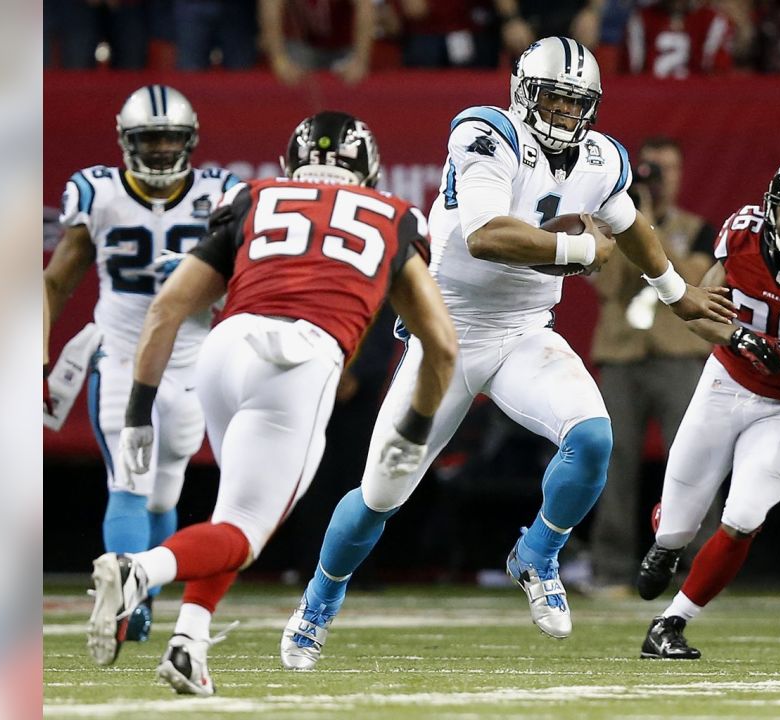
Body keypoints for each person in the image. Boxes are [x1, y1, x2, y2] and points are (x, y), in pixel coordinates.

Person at [281, 36, 736, 671]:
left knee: (595, 439)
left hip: (525, 327)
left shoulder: (600, 157)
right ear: (523, 93)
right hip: (447, 334)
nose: (562, 115)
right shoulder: (486, 133)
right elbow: (487, 235)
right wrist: (578, 252)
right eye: (551, 99)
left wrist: (678, 294)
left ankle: (538, 553)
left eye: (575, 104)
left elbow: (631, 225)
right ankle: (319, 601)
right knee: (381, 493)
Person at [83, 111, 458, 696]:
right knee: (245, 531)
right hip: (297, 359)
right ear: (371, 170)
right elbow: (441, 346)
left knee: (231, 511)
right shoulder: (395, 216)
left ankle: (189, 645)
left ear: (290, 166)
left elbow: (167, 308)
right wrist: (414, 429)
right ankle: (140, 570)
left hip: (223, 348)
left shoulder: (252, 195)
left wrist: (138, 410)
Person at [44, 85, 239, 643]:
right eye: (148, 140)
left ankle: (142, 598)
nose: (158, 151)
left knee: (164, 491)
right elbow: (57, 280)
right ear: (126, 141)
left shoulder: (222, 192)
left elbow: (241, 277)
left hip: (192, 360)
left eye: (168, 139)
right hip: (122, 355)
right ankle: (124, 609)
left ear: (190, 140)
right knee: (127, 480)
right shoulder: (98, 193)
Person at [636, 162, 780, 659]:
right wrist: (737, 336)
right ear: (772, 208)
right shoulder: (742, 234)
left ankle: (671, 623)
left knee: (744, 514)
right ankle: (667, 539)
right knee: (678, 524)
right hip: (726, 381)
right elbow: (695, 311)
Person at [588, 137, 717, 593]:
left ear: (680, 176)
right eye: (650, 169)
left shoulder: (699, 229)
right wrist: (627, 221)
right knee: (612, 462)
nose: (657, 180)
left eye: (666, 170)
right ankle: (610, 570)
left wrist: (645, 231)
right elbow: (606, 286)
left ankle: (697, 571)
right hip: (622, 355)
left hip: (679, 355)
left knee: (693, 461)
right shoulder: (610, 223)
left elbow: (694, 280)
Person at [260, 0, 376, 85]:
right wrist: (279, 59)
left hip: (343, 46)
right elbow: (270, 10)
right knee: (292, 79)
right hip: (302, 45)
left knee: (351, 82)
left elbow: (365, 9)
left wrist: (360, 60)